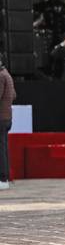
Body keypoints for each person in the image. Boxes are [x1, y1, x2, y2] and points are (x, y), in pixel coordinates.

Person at [0, 55, 16, 190]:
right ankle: (5, 177)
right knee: (3, 148)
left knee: (1, 149)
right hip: (7, 117)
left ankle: (2, 178)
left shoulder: (0, 76)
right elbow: (13, 95)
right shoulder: (7, 75)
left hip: (1, 118)